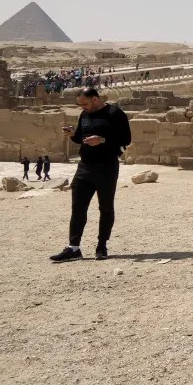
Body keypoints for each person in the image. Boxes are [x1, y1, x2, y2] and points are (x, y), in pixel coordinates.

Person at [50, 87, 132, 262]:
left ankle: (102, 246)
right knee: (78, 208)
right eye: (80, 105)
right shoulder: (84, 115)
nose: (83, 107)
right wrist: (72, 134)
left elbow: (126, 139)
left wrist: (102, 140)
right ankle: (73, 248)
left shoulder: (115, 113)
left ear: (95, 99)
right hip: (84, 167)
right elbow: (81, 137)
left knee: (106, 208)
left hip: (107, 167)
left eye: (85, 104)